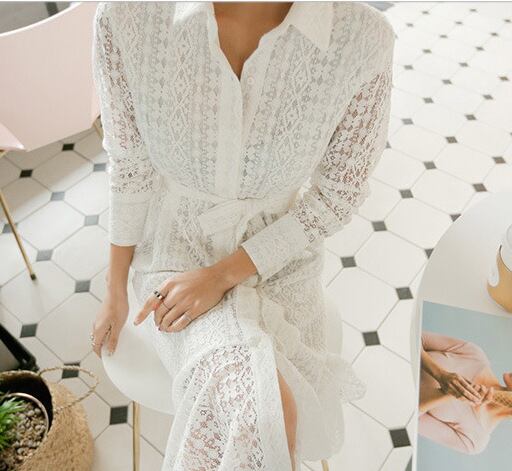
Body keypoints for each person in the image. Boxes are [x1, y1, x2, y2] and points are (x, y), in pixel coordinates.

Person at [90, 2, 395, 469]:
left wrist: (221, 275)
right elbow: (130, 167)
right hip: (175, 252)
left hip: (280, 260)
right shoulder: (128, 15)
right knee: (261, 415)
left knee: (270, 417)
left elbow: (337, 196)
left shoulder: (362, 38)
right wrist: (115, 287)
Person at [419, 330, 512, 455]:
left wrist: (450, 393)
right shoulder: (475, 355)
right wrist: (439, 374)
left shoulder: (474, 440)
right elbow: (415, 336)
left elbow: (410, 419)